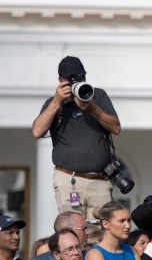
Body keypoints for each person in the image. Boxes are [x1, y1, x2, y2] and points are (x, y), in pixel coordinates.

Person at [32, 55, 122, 218]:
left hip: (100, 180)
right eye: (71, 78)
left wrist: (92, 108)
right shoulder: (54, 104)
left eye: (81, 76)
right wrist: (57, 101)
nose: (77, 81)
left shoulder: (97, 96)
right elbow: (37, 131)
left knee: (100, 233)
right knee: (73, 231)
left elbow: (115, 127)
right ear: (60, 80)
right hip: (69, 180)